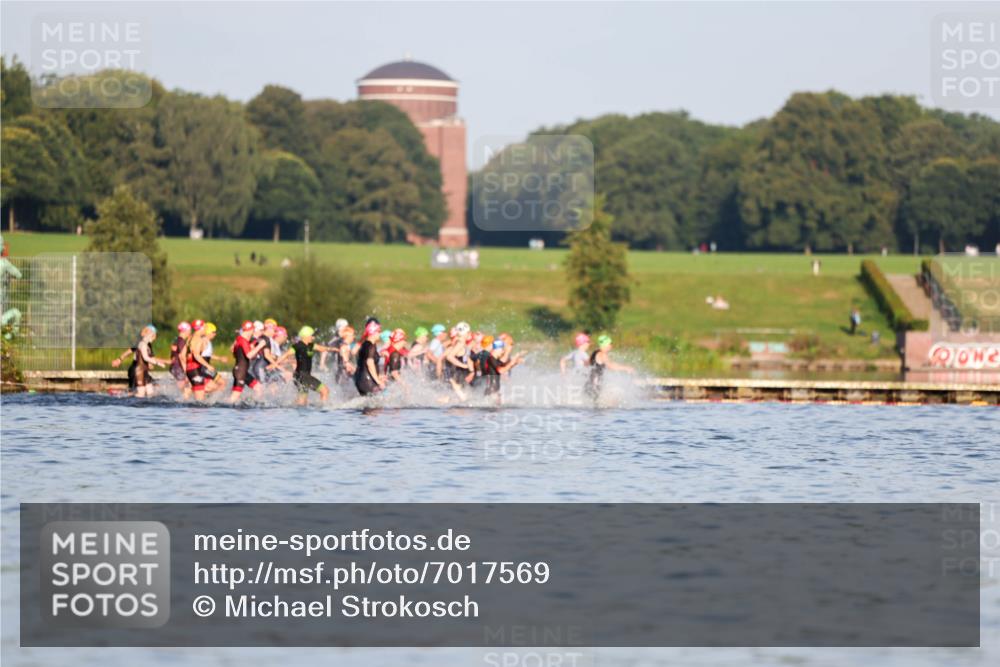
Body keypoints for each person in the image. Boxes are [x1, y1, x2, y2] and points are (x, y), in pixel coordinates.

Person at [272, 326, 332, 405]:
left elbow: (321, 348)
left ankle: (287, 408)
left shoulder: (311, 345)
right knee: (325, 391)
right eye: (311, 335)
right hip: (302, 375)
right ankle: (323, 411)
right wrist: (274, 364)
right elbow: (286, 355)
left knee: (302, 402)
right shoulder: (298, 346)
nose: (313, 337)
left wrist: (334, 349)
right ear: (306, 336)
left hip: (302, 376)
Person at [584, 335, 634, 402]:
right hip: (596, 383)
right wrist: (626, 368)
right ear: (605, 345)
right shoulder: (603, 354)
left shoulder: (594, 352)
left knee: (592, 406)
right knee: (598, 409)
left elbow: (586, 363)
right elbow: (611, 366)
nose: (611, 346)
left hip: (589, 383)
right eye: (610, 343)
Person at [229, 320, 267, 403]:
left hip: (241, 371)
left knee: (258, 388)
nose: (253, 333)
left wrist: (253, 349)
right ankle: (225, 411)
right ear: (250, 330)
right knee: (234, 397)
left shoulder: (239, 339)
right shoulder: (243, 341)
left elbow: (233, 350)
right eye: (253, 330)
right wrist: (260, 346)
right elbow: (248, 355)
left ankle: (251, 404)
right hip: (240, 372)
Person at [186, 321, 223, 400]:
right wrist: (208, 365)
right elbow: (196, 355)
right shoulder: (198, 339)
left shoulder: (190, 337)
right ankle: (186, 396)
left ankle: (187, 393)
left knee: (212, 388)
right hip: (195, 369)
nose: (205, 330)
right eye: (205, 327)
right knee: (200, 403)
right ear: (201, 328)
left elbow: (185, 354)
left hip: (191, 368)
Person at [482, 337, 524, 402]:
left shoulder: (495, 359)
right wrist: (512, 362)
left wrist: (515, 363)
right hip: (491, 392)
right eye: (502, 350)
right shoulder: (491, 359)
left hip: (494, 391)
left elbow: (504, 367)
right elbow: (501, 370)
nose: (502, 352)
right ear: (497, 349)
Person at [133, 325, 168, 398]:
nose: (154, 339)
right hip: (140, 371)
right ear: (149, 335)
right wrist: (158, 363)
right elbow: (145, 358)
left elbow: (149, 357)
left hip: (145, 371)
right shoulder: (142, 344)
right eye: (153, 336)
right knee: (141, 394)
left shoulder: (147, 345)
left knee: (150, 393)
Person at [355, 320, 386, 396]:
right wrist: (378, 381)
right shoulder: (371, 346)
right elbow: (369, 363)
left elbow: (363, 361)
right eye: (379, 331)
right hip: (367, 381)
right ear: (373, 332)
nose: (380, 333)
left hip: (361, 379)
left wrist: (379, 355)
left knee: (368, 406)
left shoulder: (365, 344)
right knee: (376, 407)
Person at [170, 321, 193, 397]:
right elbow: (182, 357)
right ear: (185, 331)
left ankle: (181, 402)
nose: (190, 332)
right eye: (189, 330)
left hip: (174, 367)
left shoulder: (176, 340)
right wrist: (187, 371)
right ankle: (183, 404)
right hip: (179, 367)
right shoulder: (182, 341)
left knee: (182, 389)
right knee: (188, 386)